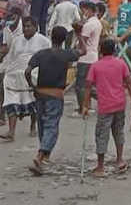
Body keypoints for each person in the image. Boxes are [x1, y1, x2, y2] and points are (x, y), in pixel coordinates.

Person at [26, 25, 86, 176]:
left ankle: (44, 154)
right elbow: (84, 51)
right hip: (56, 94)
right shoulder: (66, 54)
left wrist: (32, 86)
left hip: (40, 92)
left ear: (51, 37)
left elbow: (27, 71)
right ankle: (41, 155)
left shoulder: (41, 54)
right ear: (65, 39)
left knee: (42, 124)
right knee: (51, 124)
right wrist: (79, 34)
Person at [83, 39, 131, 177]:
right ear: (114, 50)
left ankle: (100, 166)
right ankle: (120, 160)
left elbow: (88, 86)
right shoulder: (121, 63)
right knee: (118, 131)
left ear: (101, 50)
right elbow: (129, 82)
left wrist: (85, 105)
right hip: (120, 103)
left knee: (102, 134)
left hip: (105, 106)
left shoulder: (96, 66)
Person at [0, 17, 51, 141]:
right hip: (16, 74)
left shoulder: (43, 41)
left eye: (29, 26)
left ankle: (33, 126)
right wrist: (2, 68)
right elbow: (10, 58)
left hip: (33, 74)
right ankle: (11, 131)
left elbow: (48, 58)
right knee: (12, 100)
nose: (26, 29)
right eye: (25, 26)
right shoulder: (17, 40)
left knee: (32, 101)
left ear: (35, 27)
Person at [74, 1, 103, 116]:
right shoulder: (96, 22)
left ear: (88, 10)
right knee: (89, 85)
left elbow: (82, 42)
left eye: (83, 10)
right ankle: (105, 99)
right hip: (92, 56)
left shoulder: (89, 25)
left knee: (81, 85)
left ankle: (82, 107)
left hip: (85, 57)